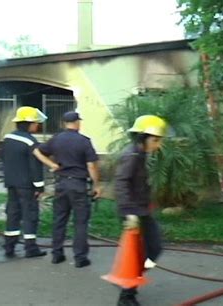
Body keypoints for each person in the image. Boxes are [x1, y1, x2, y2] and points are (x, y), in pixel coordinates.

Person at [34, 111, 101, 268]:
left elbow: (37, 151)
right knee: (80, 222)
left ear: (64, 123)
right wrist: (97, 185)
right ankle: (80, 258)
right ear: (77, 123)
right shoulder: (84, 141)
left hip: (61, 184)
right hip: (78, 185)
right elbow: (91, 165)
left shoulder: (56, 139)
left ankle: (57, 254)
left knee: (59, 220)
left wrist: (51, 165)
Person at [114, 115, 167, 306]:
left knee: (154, 249)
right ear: (142, 138)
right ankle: (126, 295)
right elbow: (121, 183)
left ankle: (130, 280)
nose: (158, 145)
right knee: (138, 253)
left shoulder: (139, 154)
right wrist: (129, 213)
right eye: (155, 140)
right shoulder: (132, 156)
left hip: (141, 210)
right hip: (133, 213)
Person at [2, 106, 48, 258]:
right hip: (27, 186)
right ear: (28, 124)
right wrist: (39, 186)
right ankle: (31, 248)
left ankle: (10, 246)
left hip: (11, 184)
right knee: (30, 214)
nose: (37, 125)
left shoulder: (8, 138)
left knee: (13, 213)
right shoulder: (30, 141)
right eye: (35, 123)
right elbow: (35, 166)